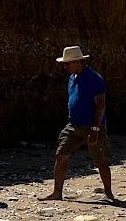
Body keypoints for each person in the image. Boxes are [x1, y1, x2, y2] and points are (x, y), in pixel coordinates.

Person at [41, 45, 115, 201]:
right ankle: (57, 193)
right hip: (74, 125)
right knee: (61, 155)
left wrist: (95, 127)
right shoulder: (72, 78)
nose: (66, 66)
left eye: (68, 63)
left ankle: (108, 194)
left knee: (100, 160)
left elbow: (101, 104)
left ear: (78, 62)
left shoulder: (94, 78)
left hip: (93, 126)